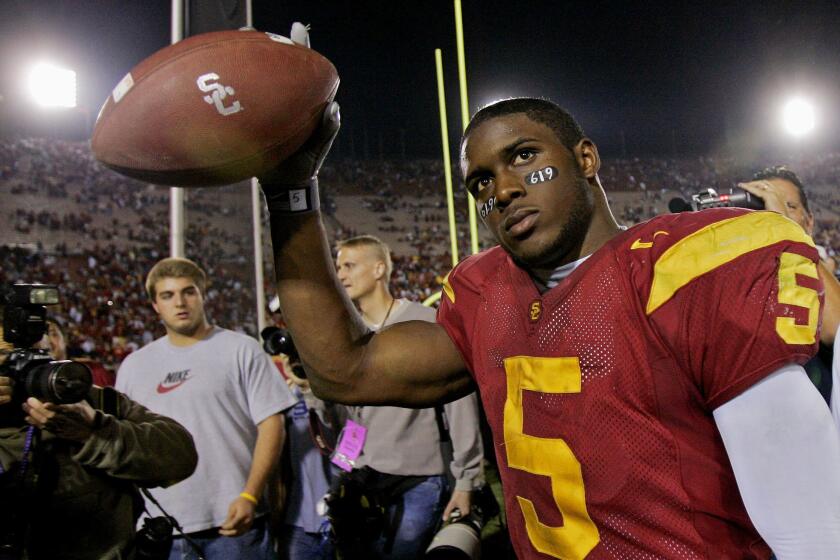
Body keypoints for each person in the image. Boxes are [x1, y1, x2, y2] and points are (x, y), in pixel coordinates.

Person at [258, 88, 840, 558]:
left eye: (523, 156)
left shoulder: (684, 268)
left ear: (585, 159)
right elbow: (345, 370)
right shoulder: (482, 295)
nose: (503, 190)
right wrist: (289, 192)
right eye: (480, 181)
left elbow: (811, 525)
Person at [308, 234, 483, 559]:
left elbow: (458, 404)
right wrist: (345, 465)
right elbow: (352, 417)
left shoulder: (423, 321)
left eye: (348, 265)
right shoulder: (345, 332)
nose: (340, 274)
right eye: (337, 267)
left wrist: (466, 480)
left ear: (378, 269)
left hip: (418, 477)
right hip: (362, 474)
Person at [116, 257, 296, 560]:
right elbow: (125, 442)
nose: (180, 302)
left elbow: (271, 425)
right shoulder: (134, 366)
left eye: (189, 292)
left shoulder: (241, 349)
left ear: (202, 295)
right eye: (168, 295)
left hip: (235, 524)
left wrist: (250, 494)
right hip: (160, 529)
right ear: (155, 305)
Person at [0, 311, 198, 560]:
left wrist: (94, 433)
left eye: (35, 356)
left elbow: (180, 458)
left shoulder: (93, 402)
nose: (25, 370)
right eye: (8, 360)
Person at [739, 166, 840, 346]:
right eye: (763, 204)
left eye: (789, 206)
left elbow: (836, 332)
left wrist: (786, 232)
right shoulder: (739, 287)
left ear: (809, 222)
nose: (774, 210)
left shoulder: (833, 280)